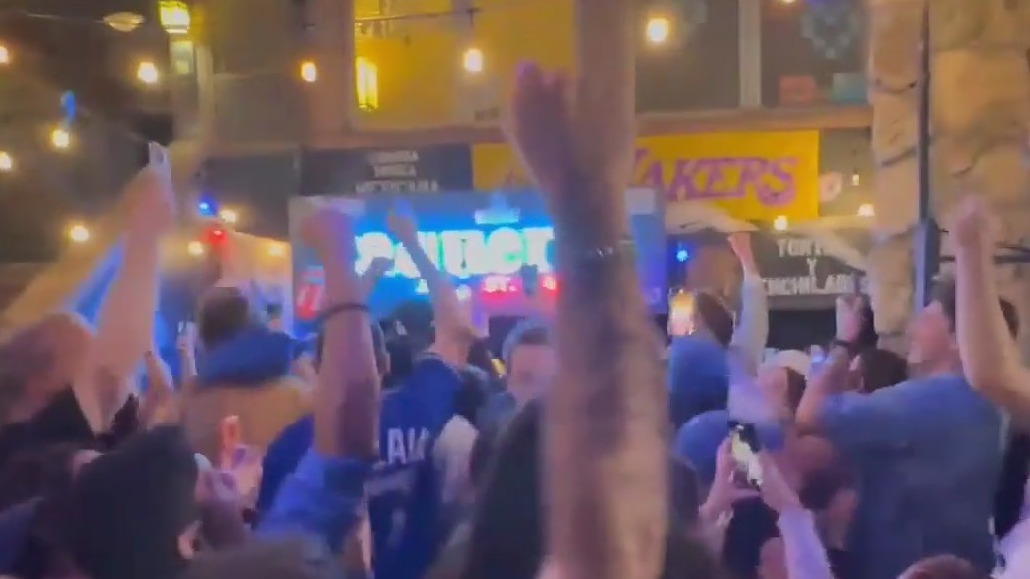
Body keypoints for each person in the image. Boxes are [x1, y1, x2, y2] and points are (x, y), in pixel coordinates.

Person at [795, 290, 1015, 579]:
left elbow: (810, 414)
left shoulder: (928, 400)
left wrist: (845, 341)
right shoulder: (995, 406)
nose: (912, 329)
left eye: (925, 320)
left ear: (958, 338)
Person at [0, 146, 176, 470]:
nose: (103, 362)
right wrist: (143, 237)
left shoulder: (59, 443)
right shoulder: (33, 451)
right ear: (43, 384)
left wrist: (150, 409)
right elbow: (115, 363)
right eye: (88, 355)